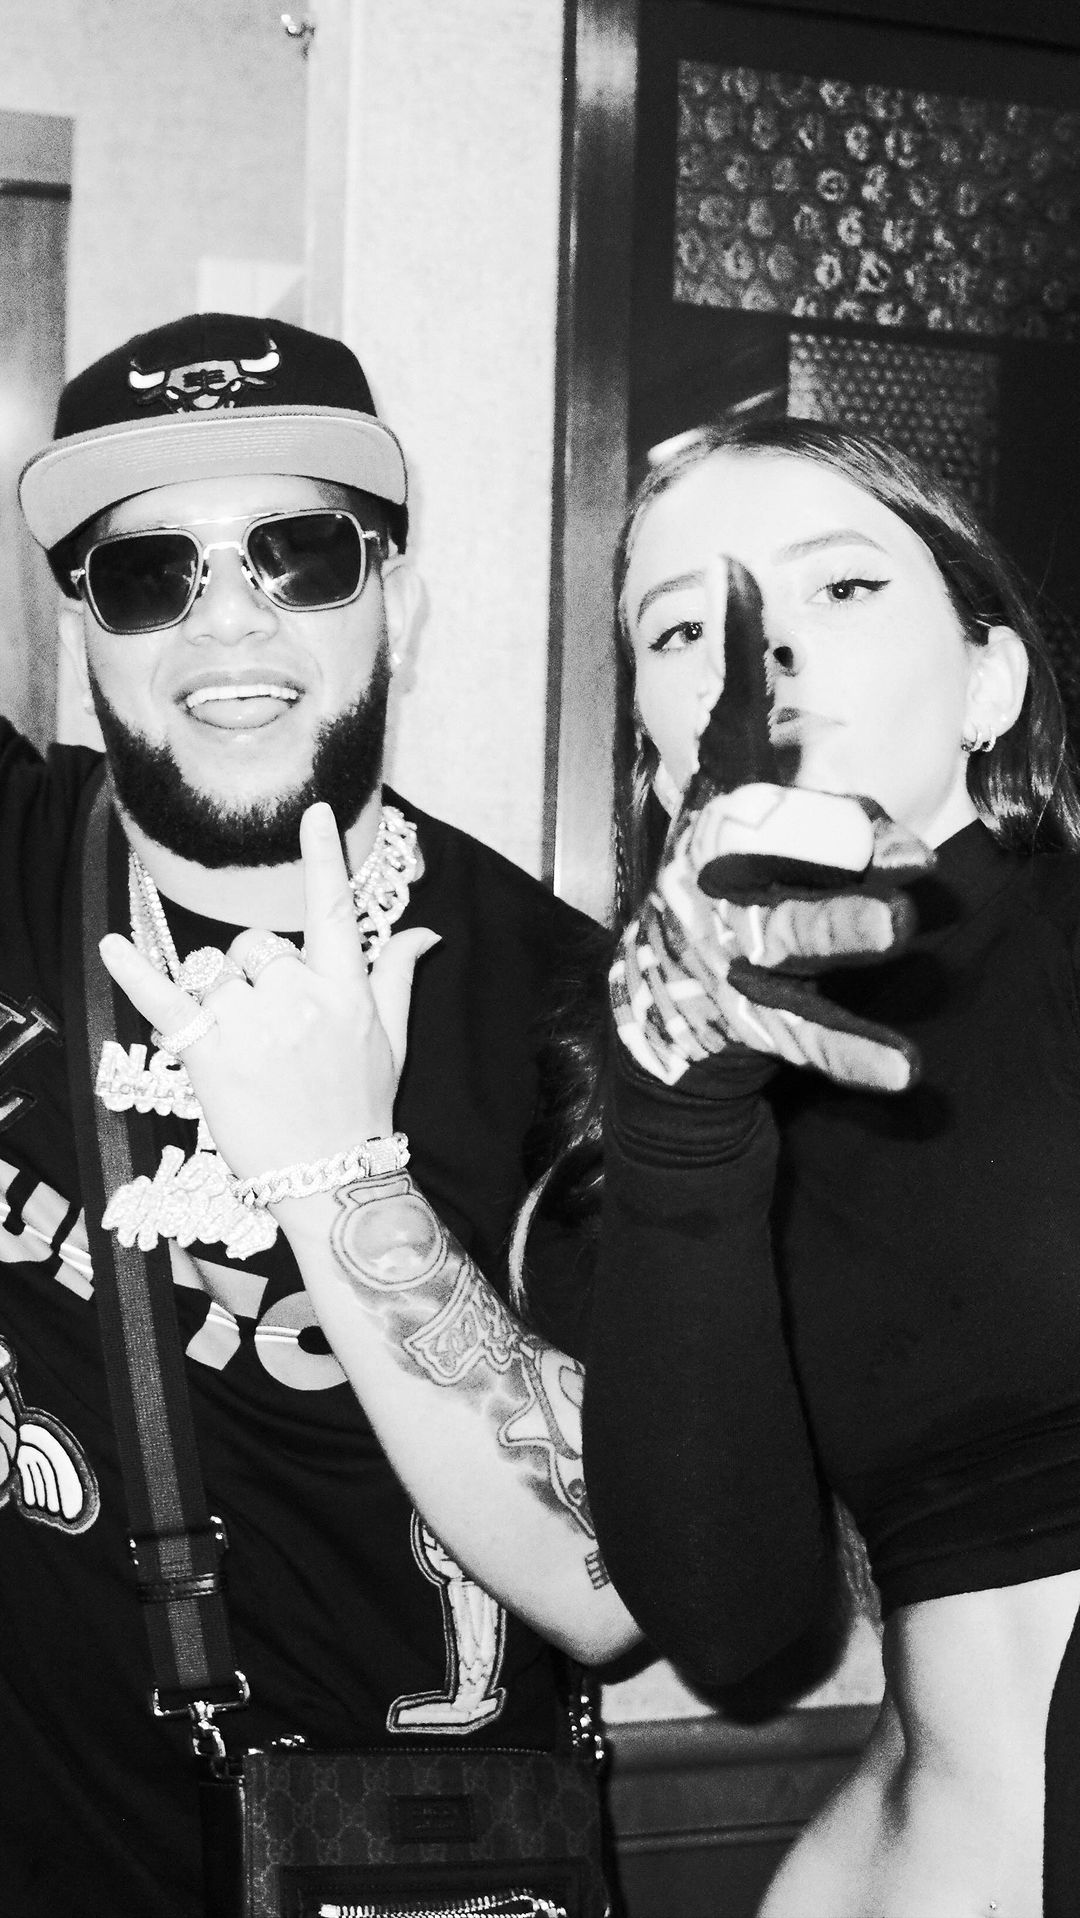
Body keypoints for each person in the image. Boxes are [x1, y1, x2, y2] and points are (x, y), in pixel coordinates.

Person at [4, 310, 638, 1916]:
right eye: (148, 572)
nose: (228, 620)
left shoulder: (571, 1011)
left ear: (397, 603)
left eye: (298, 554)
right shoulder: (13, 856)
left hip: (405, 1870)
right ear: (81, 630)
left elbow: (613, 1582)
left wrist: (336, 1170)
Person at [572, 418, 1080, 1915]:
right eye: (685, 627)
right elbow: (734, 1628)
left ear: (990, 681)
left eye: (841, 588)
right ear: (659, 752)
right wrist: (677, 1120)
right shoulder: (676, 1091)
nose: (764, 652)